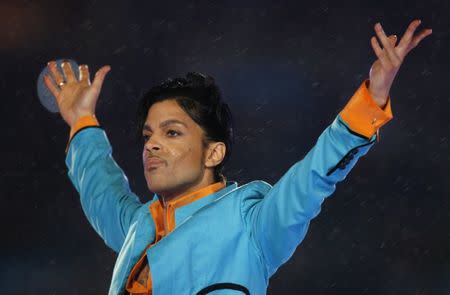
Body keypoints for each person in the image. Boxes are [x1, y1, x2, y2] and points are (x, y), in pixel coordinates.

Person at [44, 20, 431, 295]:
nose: (151, 145)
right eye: (148, 135)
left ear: (214, 152)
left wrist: (372, 99)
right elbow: (101, 188)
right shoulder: (139, 225)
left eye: (172, 132)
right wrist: (81, 120)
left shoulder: (249, 222)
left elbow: (314, 176)